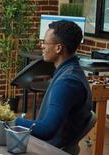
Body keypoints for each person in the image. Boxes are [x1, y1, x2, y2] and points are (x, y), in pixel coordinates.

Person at [15, 20, 93, 148]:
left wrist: (10, 120)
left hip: (50, 154)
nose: (42, 46)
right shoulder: (71, 72)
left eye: (45, 42)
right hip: (47, 147)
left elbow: (46, 130)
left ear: (58, 48)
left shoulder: (67, 83)